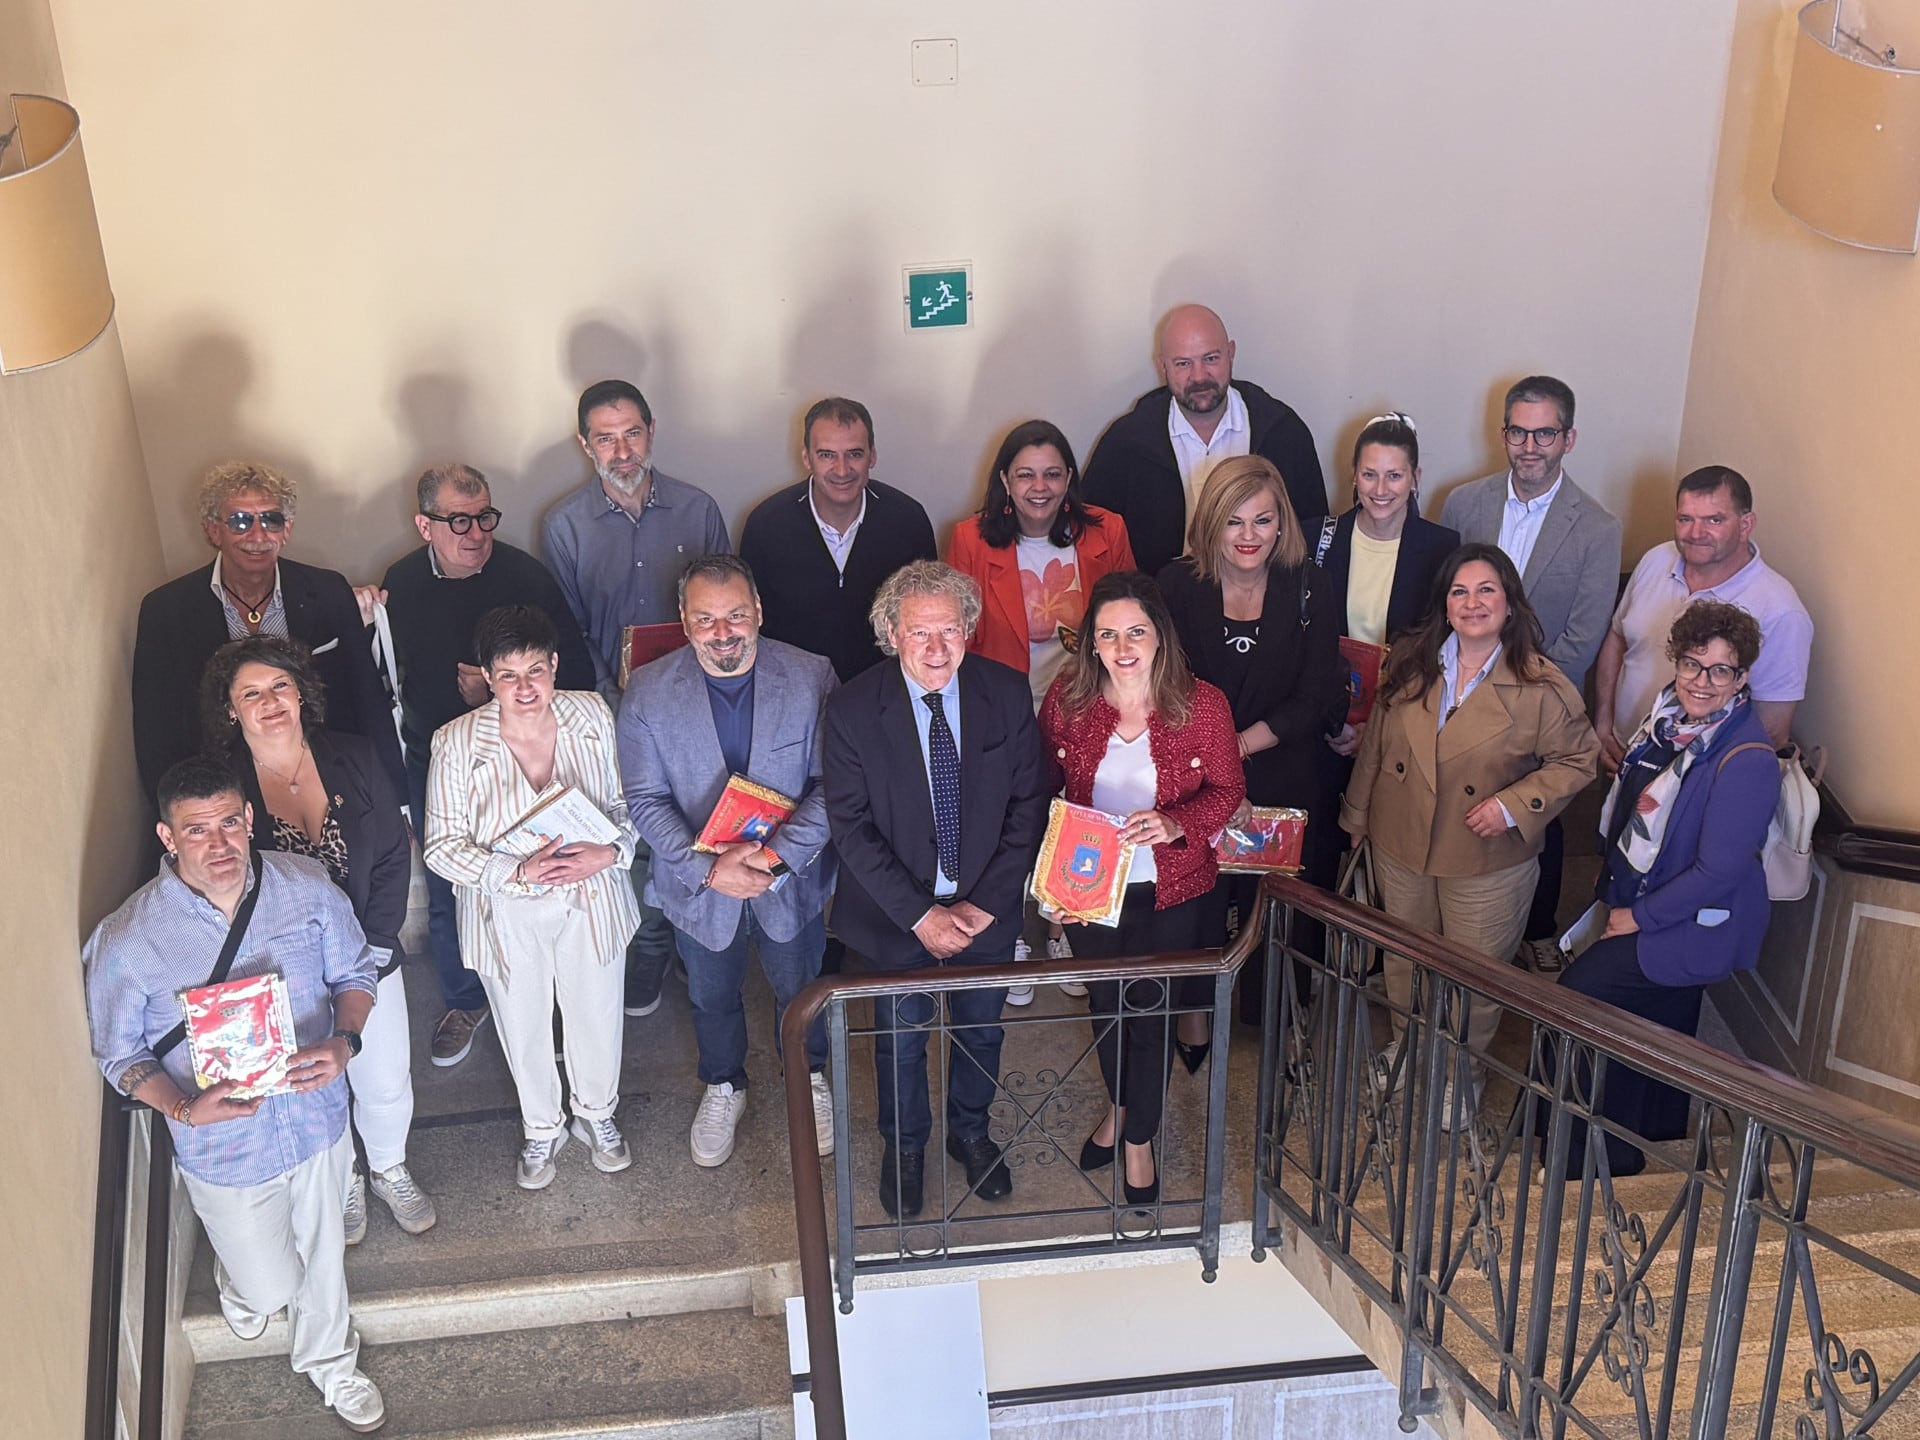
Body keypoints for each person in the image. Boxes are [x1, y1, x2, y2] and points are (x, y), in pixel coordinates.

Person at [84, 757, 386, 1432]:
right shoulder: (128, 940)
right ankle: (240, 1282)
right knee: (269, 1286)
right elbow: (119, 1054)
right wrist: (185, 1107)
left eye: (229, 823)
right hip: (222, 1144)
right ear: (168, 838)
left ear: (250, 819)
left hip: (315, 1118)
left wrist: (344, 1043)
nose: (218, 844)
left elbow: (355, 973)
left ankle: (333, 1362)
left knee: (324, 1251)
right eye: (197, 831)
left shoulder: (307, 889)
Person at [1339, 544, 1600, 1119]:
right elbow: (1378, 747)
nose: (1472, 602)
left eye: (1487, 591)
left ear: (1510, 605)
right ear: (1445, 604)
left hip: (1487, 857)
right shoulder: (1411, 660)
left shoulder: (1541, 684)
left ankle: (1462, 1068)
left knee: (1473, 972)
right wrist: (1355, 817)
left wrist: (1513, 805)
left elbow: (1580, 761)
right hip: (1401, 842)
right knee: (1404, 959)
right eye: (1460, 591)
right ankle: (1404, 1046)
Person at [822, 561, 1047, 1219]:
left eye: (950, 630)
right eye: (920, 633)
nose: (937, 649)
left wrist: (983, 904)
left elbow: (1028, 806)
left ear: (969, 630)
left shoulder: (1005, 694)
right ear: (891, 633)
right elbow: (852, 826)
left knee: (982, 1034)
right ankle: (907, 1147)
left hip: (986, 915)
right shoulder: (854, 708)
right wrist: (921, 916)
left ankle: (971, 1134)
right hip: (897, 922)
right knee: (902, 1039)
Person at [202, 636, 436, 1243]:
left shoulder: (354, 757)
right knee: (312, 1084)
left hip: (369, 950)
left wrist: (374, 946)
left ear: (301, 689)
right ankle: (348, 1175)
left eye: (280, 685)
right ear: (232, 710)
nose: (269, 701)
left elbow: (390, 854)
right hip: (283, 970)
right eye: (250, 693)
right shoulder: (223, 787)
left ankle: (388, 1166)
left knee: (384, 1077)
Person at [619, 554, 839, 1169]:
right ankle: (723, 1085)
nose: (724, 632)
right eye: (707, 618)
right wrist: (709, 869)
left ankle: (810, 1077)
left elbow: (832, 786)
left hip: (787, 880)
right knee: (711, 997)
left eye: (737, 615)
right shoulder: (648, 690)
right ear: (685, 621)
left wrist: (773, 859)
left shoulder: (811, 675)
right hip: (697, 885)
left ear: (759, 612)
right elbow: (645, 798)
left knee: (802, 990)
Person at [1549, 601, 1780, 1177]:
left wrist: (1638, 917)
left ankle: (1588, 1153)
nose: (1703, 681)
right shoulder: (1669, 721)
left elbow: (1718, 872)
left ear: (1742, 677)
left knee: (1576, 1000)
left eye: (1720, 670)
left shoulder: (1746, 757)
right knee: (1659, 1023)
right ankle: (1646, 1139)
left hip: (1688, 920)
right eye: (1693, 664)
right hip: (1649, 897)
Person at [379, 463, 596, 1067]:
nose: (476, 533)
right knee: (451, 877)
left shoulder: (525, 576)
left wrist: (500, 698)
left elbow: (575, 675)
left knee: (544, 869)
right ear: (425, 525)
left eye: (485, 517)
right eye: (458, 521)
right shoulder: (401, 583)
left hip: (526, 756)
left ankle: (551, 996)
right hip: (437, 756)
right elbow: (387, 681)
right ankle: (465, 999)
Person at [1039, 572, 1244, 1205]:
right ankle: (1121, 1106)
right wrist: (1046, 883)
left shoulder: (1202, 704)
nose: (1123, 646)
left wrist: (1176, 821)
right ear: (1091, 643)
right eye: (1108, 634)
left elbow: (1229, 791)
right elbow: (1040, 791)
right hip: (1087, 891)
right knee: (1106, 1009)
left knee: (1150, 1014)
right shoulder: (1067, 700)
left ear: (1160, 635)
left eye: (1136, 631)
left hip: (1173, 889)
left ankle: (1138, 1138)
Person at [423, 605, 641, 1191]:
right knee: (521, 1023)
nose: (526, 688)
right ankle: (541, 1126)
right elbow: (441, 848)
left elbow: (629, 805)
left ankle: (598, 1114)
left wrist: (612, 852)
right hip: (504, 911)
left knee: (595, 1014)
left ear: (554, 666)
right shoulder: (456, 743)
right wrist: (514, 869)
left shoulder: (592, 714)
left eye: (536, 671)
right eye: (509, 675)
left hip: (591, 896)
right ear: (487, 679)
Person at [544, 380, 727, 1031]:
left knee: (702, 822)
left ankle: (694, 943)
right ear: (584, 443)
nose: (621, 451)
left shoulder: (698, 509)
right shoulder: (564, 526)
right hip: (612, 710)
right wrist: (611, 698)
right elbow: (565, 630)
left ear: (651, 431)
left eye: (632, 433)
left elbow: (726, 607)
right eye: (605, 437)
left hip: (697, 704)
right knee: (643, 837)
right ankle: (650, 948)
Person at [946, 418, 1136, 1001]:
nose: (1039, 486)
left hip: (1084, 697)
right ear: (1004, 479)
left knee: (1079, 810)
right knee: (1002, 814)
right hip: (999, 700)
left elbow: (1132, 615)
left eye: (1053, 473)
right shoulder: (971, 539)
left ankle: (1064, 930)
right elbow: (958, 632)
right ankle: (1008, 933)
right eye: (1025, 474)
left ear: (1069, 478)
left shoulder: (1107, 531)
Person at [1440, 377, 1622, 971]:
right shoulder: (1464, 503)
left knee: (1535, 814)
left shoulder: (1597, 528)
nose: (1531, 445)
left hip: (1541, 704)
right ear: (1504, 435)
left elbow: (1584, 635)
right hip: (1459, 689)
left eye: (1545, 432)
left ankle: (1537, 930)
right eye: (1519, 431)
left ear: (1569, 438)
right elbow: (1444, 602)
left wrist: (1519, 699)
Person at [1159, 455, 1344, 1033]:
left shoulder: (1309, 583)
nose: (1248, 537)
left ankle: (1279, 1022)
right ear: (1211, 523)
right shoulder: (1175, 585)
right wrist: (1216, 757)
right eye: (1234, 522)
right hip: (1196, 774)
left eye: (1262, 521)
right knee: (1200, 897)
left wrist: (1235, 747)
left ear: (1282, 523)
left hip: (1283, 770)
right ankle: (1195, 1018)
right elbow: (1165, 683)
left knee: (1280, 904)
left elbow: (1317, 692)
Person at [133, 461, 403, 806]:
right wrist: (174, 811)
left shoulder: (327, 590)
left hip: (327, 782)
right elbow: (155, 728)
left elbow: (367, 698)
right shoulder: (165, 611)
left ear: (286, 530)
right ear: (212, 530)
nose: (258, 536)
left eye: (271, 520)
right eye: (240, 521)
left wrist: (396, 802)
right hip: (224, 792)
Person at [1312, 412, 1461, 901]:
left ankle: (1376, 959)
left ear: (1416, 478)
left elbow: (1439, 650)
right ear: (1353, 474)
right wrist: (1338, 723)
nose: (1381, 488)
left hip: (1401, 724)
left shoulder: (1442, 547)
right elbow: (1303, 639)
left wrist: (1374, 729)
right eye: (1370, 474)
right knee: (1319, 849)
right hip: (1325, 722)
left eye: (1395, 475)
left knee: (1389, 856)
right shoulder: (1320, 536)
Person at [1084, 304, 1327, 577]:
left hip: (1266, 604)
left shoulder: (1284, 433)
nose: (1199, 376)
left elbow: (1313, 537)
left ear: (1231, 353)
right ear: (1162, 365)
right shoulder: (1125, 444)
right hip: (1161, 608)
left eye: (1210, 359)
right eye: (1183, 363)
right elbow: (1093, 541)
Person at [1593, 465, 1813, 765]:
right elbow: (1618, 638)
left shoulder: (1780, 611)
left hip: (1693, 781)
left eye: (1714, 520)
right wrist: (1604, 725)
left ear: (1746, 524)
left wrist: (1682, 782)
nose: (1696, 534)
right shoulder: (1656, 559)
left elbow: (1771, 731)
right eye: (1685, 519)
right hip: (1621, 754)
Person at [739, 397, 938, 681]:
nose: (842, 470)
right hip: (795, 693)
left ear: (873, 456)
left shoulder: (908, 520)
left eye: (855, 454)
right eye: (827, 455)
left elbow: (927, 618)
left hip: (886, 693)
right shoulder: (765, 525)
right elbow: (753, 627)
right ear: (806, 457)